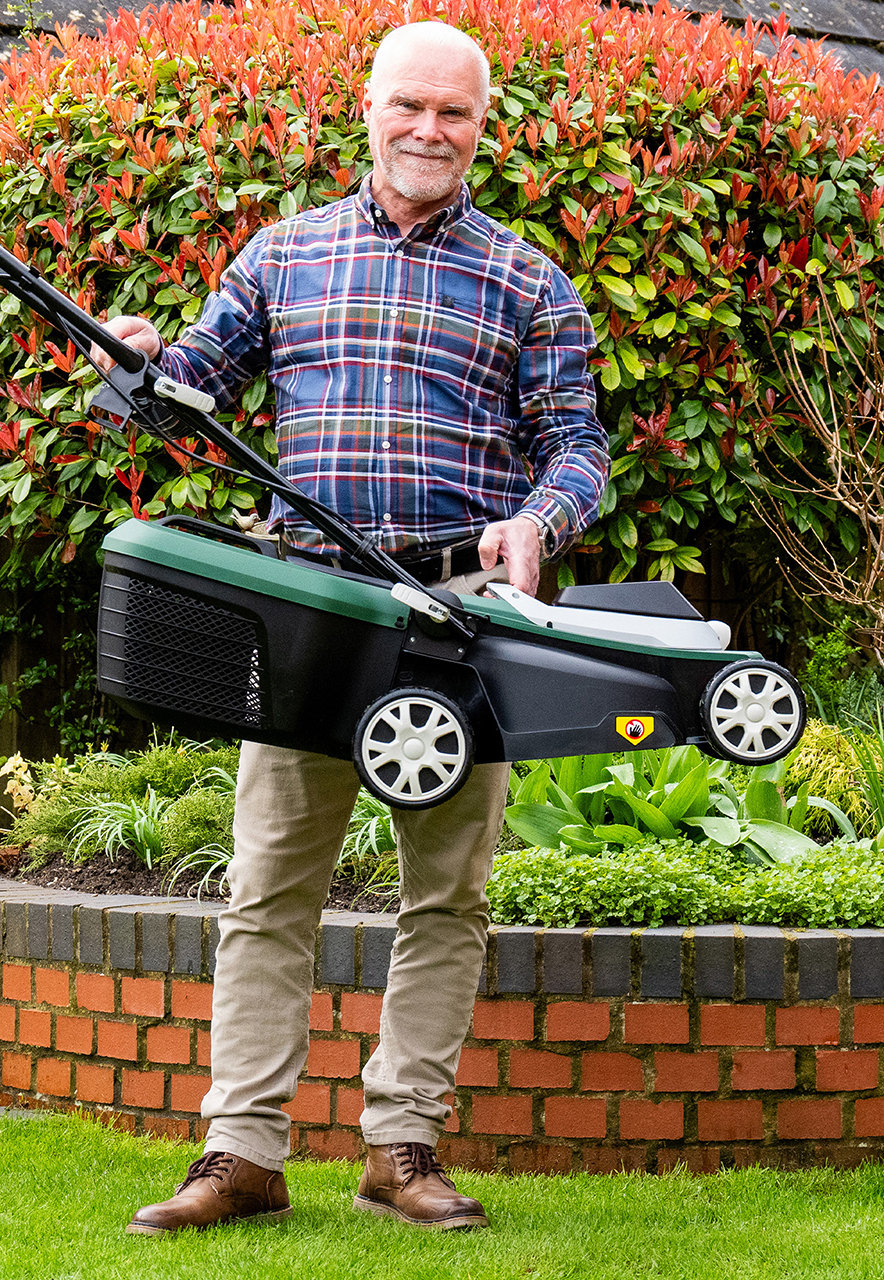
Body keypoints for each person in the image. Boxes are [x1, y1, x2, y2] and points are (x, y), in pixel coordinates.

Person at [95, 20, 608, 1233]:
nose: (429, 131)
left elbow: (576, 444)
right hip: (309, 607)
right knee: (269, 886)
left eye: (455, 114)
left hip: (455, 622)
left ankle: (402, 1144)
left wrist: (539, 519)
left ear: (483, 126)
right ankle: (241, 1153)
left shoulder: (530, 280)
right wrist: (142, 360)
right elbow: (190, 399)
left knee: (446, 895)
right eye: (410, 107)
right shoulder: (284, 254)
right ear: (365, 107)